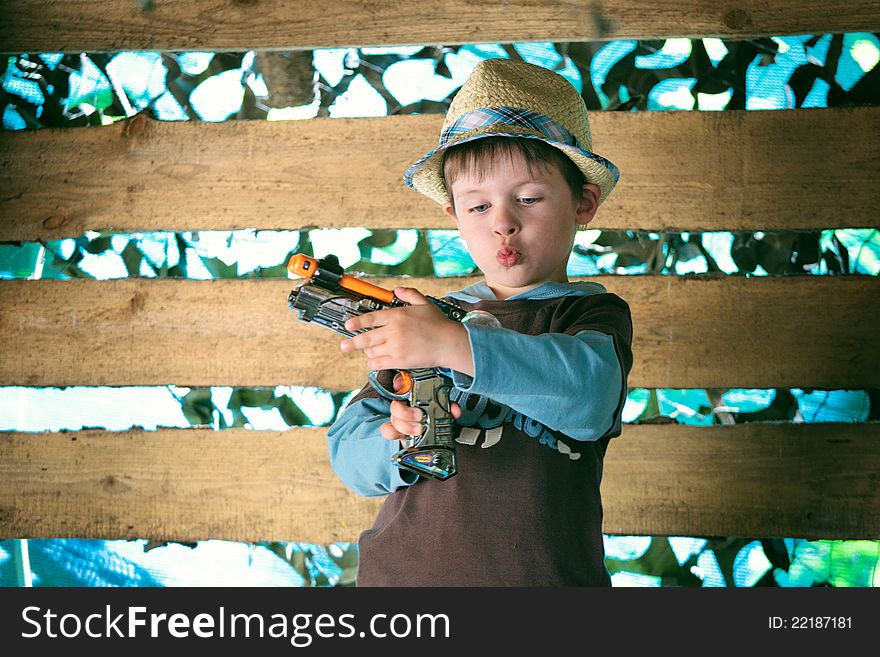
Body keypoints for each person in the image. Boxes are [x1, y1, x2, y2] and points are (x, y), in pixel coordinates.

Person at [327, 58, 633, 586]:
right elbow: (349, 449)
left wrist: (451, 345)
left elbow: (589, 399)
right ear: (453, 215)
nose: (503, 223)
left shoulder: (587, 315)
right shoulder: (427, 319)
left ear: (583, 202)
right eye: (477, 206)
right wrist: (396, 442)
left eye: (529, 198)